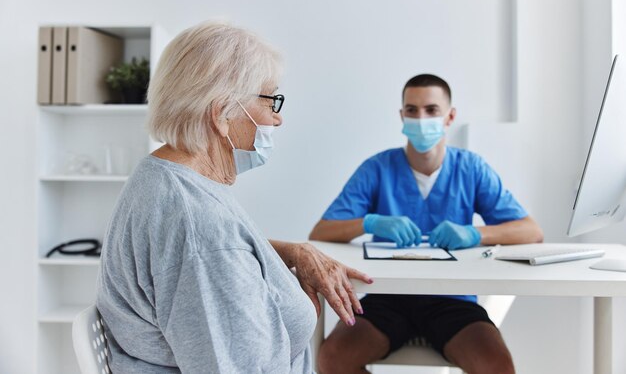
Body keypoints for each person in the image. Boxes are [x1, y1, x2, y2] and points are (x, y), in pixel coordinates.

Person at [96, 21, 372, 374]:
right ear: (222, 113)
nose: (278, 117)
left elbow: (220, 252)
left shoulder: (166, 178)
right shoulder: (198, 225)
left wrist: (293, 251)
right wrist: (305, 309)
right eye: (271, 99)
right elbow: (210, 252)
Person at [309, 74, 543, 374]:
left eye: (431, 110)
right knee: (333, 357)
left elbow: (530, 231)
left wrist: (475, 233)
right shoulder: (378, 168)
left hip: (452, 300)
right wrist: (369, 222)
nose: (421, 118)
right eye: (412, 110)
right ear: (401, 115)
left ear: (450, 116)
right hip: (388, 298)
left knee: (496, 364)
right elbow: (321, 232)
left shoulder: (471, 169)